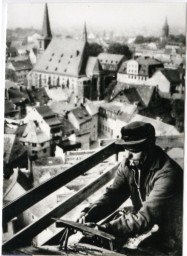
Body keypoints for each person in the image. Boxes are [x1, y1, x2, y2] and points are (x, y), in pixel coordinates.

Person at [77, 122, 183, 255]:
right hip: (145, 225)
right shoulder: (129, 164)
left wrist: (103, 228)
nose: (127, 156)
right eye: (125, 149)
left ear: (149, 146)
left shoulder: (167, 174)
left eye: (134, 151)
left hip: (169, 236)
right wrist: (89, 213)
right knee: (89, 244)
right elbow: (114, 195)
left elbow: (145, 218)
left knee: (122, 253)